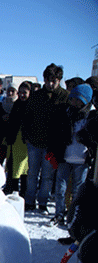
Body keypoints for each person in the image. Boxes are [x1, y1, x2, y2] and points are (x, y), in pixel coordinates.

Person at [22, 63, 69, 213]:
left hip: (52, 145)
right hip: (34, 142)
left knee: (48, 176)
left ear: (59, 80)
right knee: (32, 174)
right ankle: (29, 202)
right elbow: (26, 117)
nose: (49, 84)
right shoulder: (36, 96)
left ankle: (43, 202)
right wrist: (26, 136)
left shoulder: (65, 97)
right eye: (47, 80)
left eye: (53, 81)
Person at [47, 84, 94, 226]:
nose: (72, 101)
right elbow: (57, 131)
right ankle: (59, 214)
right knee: (60, 189)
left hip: (82, 158)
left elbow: (93, 137)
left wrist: (84, 140)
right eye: (72, 98)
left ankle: (72, 216)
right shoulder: (66, 112)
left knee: (77, 191)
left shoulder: (91, 116)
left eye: (75, 99)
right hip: (65, 156)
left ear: (83, 100)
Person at [1, 81, 32, 196]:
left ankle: (23, 192)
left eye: (25, 92)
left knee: (24, 169)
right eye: (20, 92)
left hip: (25, 142)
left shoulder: (31, 105)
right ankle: (12, 189)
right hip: (14, 140)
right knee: (12, 166)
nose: (22, 95)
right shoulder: (16, 104)